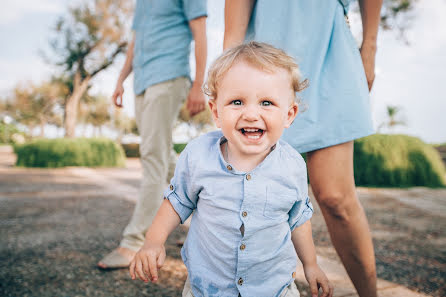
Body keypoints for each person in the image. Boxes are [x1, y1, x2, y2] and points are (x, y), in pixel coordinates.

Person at [129, 42, 333, 297]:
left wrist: (311, 265)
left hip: (273, 288)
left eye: (266, 103)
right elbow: (176, 201)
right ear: (216, 111)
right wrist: (152, 242)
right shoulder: (198, 156)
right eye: (237, 101)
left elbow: (298, 218)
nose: (251, 114)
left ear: (289, 114)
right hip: (209, 288)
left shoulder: (292, 166)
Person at [224, 0, 382, 296]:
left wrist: (370, 45)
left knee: (336, 197)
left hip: (330, 49)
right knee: (250, 193)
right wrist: (227, 66)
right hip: (265, 58)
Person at [98, 0, 207, 269]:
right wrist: (121, 79)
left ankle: (133, 243)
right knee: (163, 155)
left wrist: (198, 85)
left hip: (169, 76)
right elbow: (135, 43)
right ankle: (209, 222)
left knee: (152, 157)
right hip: (141, 82)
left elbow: (200, 33)